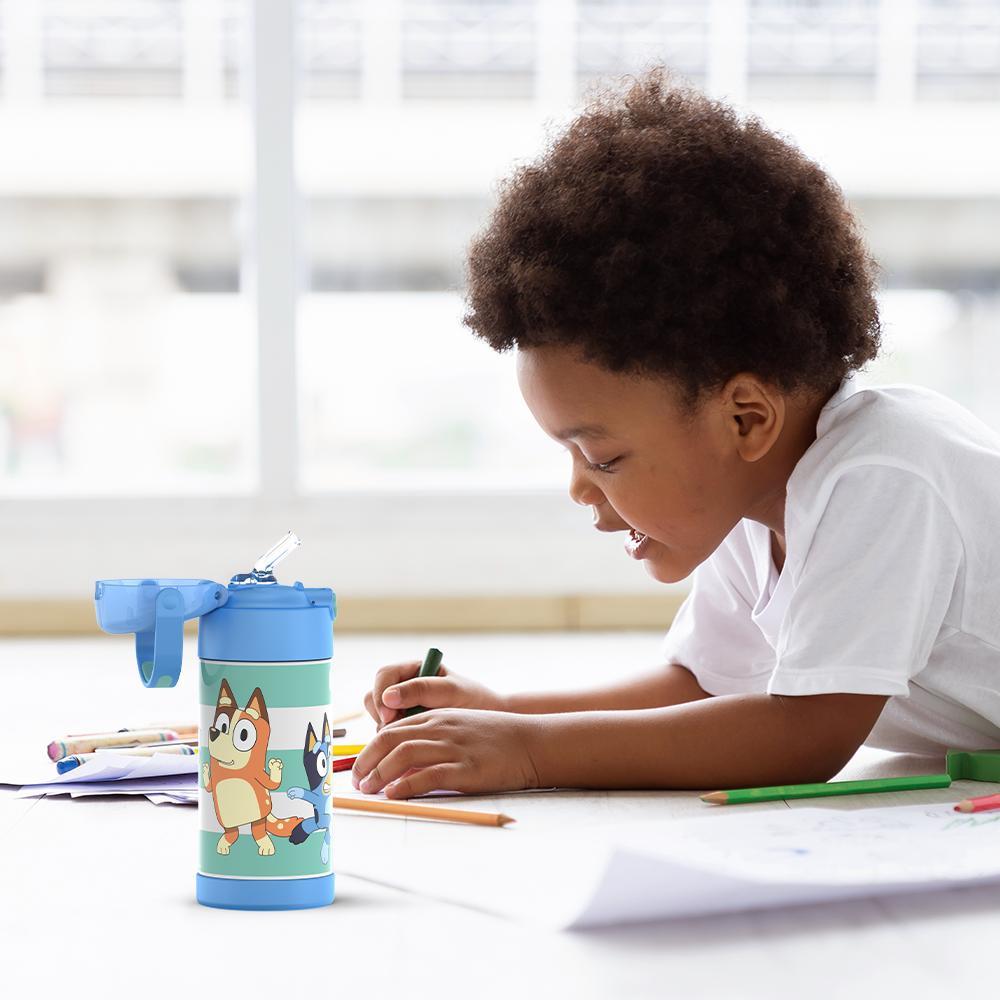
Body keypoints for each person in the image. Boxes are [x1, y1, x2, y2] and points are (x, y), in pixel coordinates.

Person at [352, 68, 1000, 800]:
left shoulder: (884, 476)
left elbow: (805, 735)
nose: (578, 487)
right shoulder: (753, 501)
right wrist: (501, 715)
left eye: (602, 457)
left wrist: (528, 751)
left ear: (745, 418)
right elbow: (700, 687)